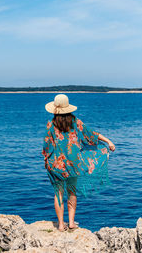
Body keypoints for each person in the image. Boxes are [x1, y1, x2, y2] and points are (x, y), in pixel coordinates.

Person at [42, 94, 115, 232]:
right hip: (73, 163)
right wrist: (108, 141)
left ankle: (61, 225)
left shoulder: (50, 124)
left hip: (56, 164)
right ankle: (71, 223)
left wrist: (47, 160)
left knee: (58, 193)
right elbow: (92, 134)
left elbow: (46, 146)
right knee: (72, 192)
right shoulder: (75, 122)